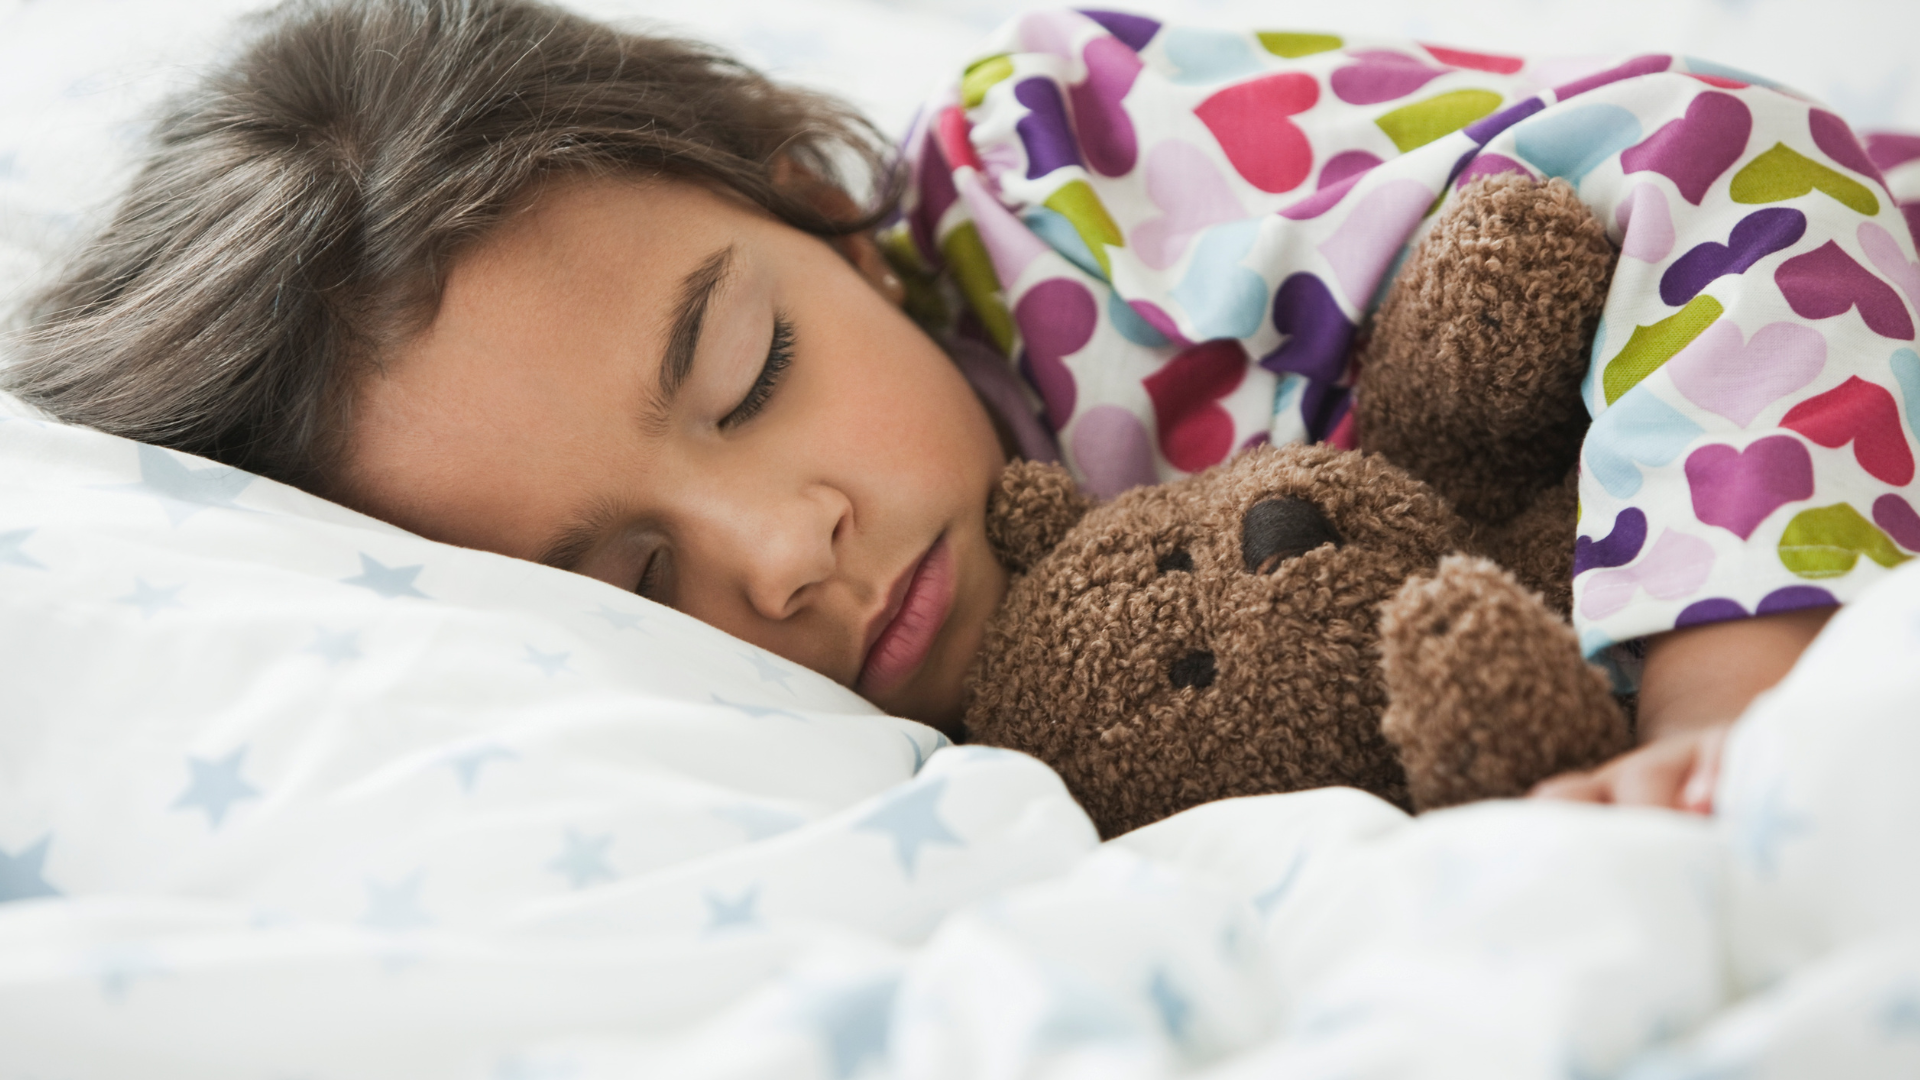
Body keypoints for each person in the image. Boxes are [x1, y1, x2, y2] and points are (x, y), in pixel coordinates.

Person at [6, 0, 1906, 815]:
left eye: (750, 371)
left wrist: (1737, 702)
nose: (785, 551)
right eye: (633, 580)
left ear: (811, 210)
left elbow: (1730, 165)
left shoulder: (1062, 169)